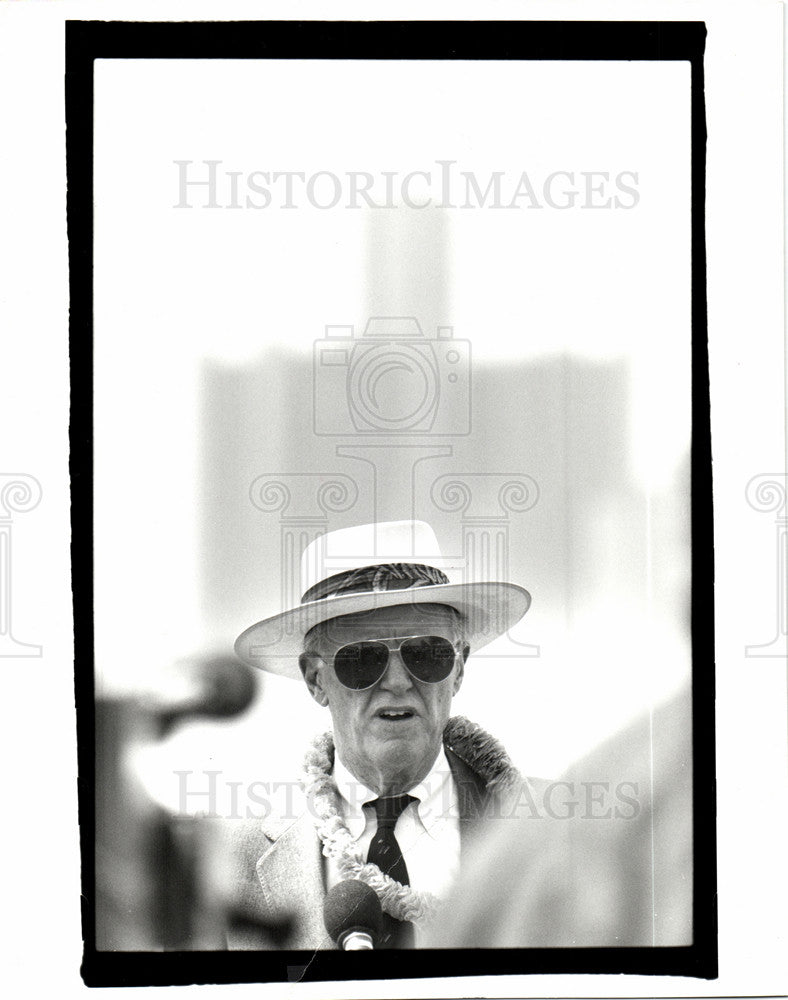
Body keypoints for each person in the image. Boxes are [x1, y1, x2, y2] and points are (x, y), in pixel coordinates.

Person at [200, 520, 538, 950]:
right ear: (315, 680)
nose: (397, 682)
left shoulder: (543, 836)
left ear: (459, 667)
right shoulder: (237, 860)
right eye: (361, 659)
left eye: (426, 654)